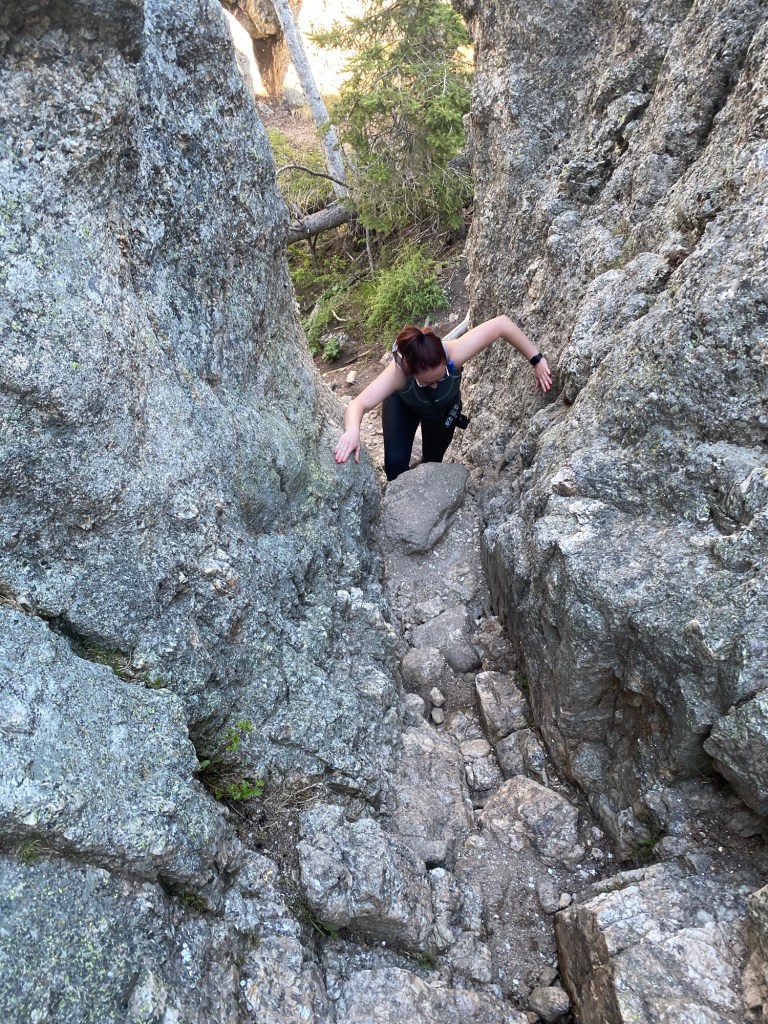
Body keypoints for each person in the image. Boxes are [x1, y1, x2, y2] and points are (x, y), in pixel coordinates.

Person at [334, 315, 553, 481]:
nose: (436, 384)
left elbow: (502, 324)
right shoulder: (397, 374)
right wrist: (353, 431)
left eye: (442, 376)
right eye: (428, 382)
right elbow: (358, 404)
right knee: (395, 467)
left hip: (442, 411)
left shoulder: (455, 352)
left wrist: (536, 359)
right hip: (403, 406)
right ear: (411, 371)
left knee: (433, 462)